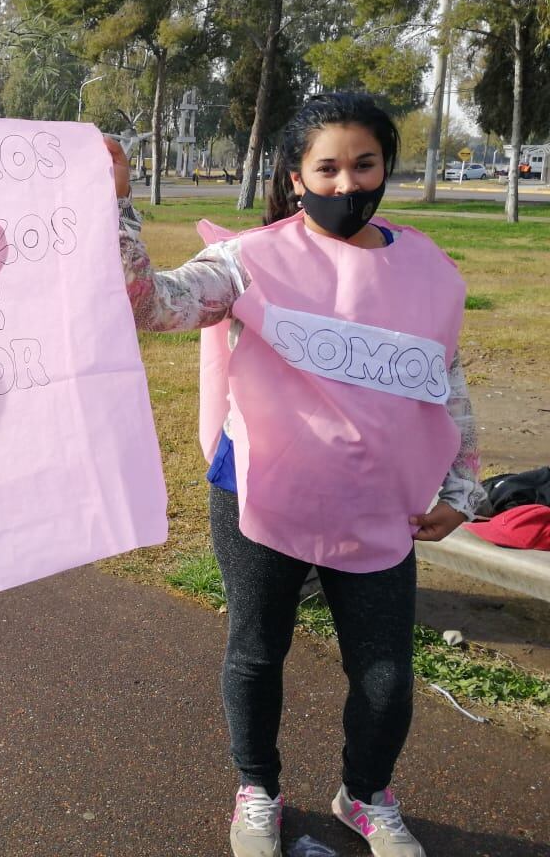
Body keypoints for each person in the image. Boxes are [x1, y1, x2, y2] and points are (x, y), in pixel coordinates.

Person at [107, 93, 480, 857]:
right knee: (255, 652)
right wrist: (116, 209)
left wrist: (463, 488)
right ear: (296, 175)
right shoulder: (249, 260)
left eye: (365, 164)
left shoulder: (429, 271)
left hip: (379, 506)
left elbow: (446, 379)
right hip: (258, 492)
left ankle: (365, 795)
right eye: (328, 167)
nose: (347, 184)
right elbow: (154, 306)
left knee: (385, 677)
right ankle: (257, 791)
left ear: (386, 166)